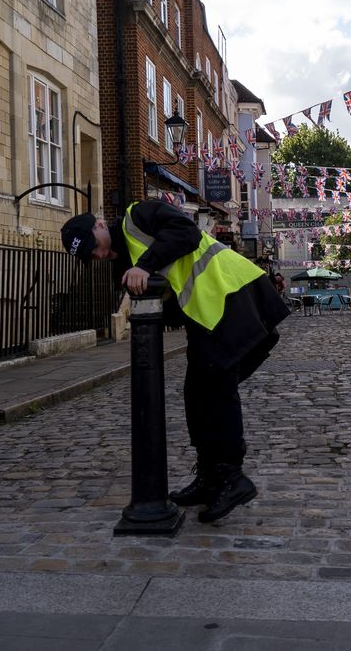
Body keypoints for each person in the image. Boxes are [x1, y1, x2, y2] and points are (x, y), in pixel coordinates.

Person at [61, 200, 290, 523]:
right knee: (196, 394)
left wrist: (146, 265)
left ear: (100, 225)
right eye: (90, 257)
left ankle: (232, 477)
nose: (97, 256)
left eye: (93, 247)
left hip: (230, 293)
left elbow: (187, 233)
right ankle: (210, 476)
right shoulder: (124, 256)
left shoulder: (137, 215)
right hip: (206, 313)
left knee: (217, 389)